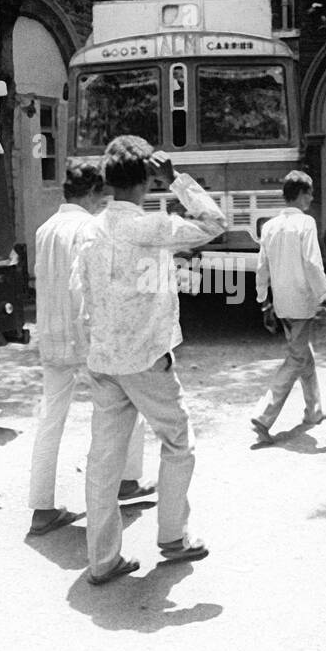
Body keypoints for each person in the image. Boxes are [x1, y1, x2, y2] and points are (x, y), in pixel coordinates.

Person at [72, 136, 228, 585]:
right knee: (178, 441)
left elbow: (81, 290)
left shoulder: (91, 229)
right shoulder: (151, 227)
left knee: (104, 460)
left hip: (103, 358)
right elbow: (215, 222)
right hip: (145, 357)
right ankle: (173, 536)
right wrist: (177, 179)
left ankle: (102, 559)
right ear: (146, 180)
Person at [27, 160, 153, 538]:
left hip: (50, 334)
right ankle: (124, 482)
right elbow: (93, 287)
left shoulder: (45, 229)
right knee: (121, 411)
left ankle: (41, 507)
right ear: (94, 193)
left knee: (51, 419)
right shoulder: (87, 228)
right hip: (86, 338)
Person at [252, 170, 326, 441]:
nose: (311, 198)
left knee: (304, 354)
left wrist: (264, 301)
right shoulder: (306, 223)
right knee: (297, 357)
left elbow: (262, 268)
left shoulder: (269, 226)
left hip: (281, 301)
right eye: (309, 193)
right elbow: (312, 262)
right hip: (302, 301)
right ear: (300, 194)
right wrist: (325, 295)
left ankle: (314, 410)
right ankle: (264, 415)